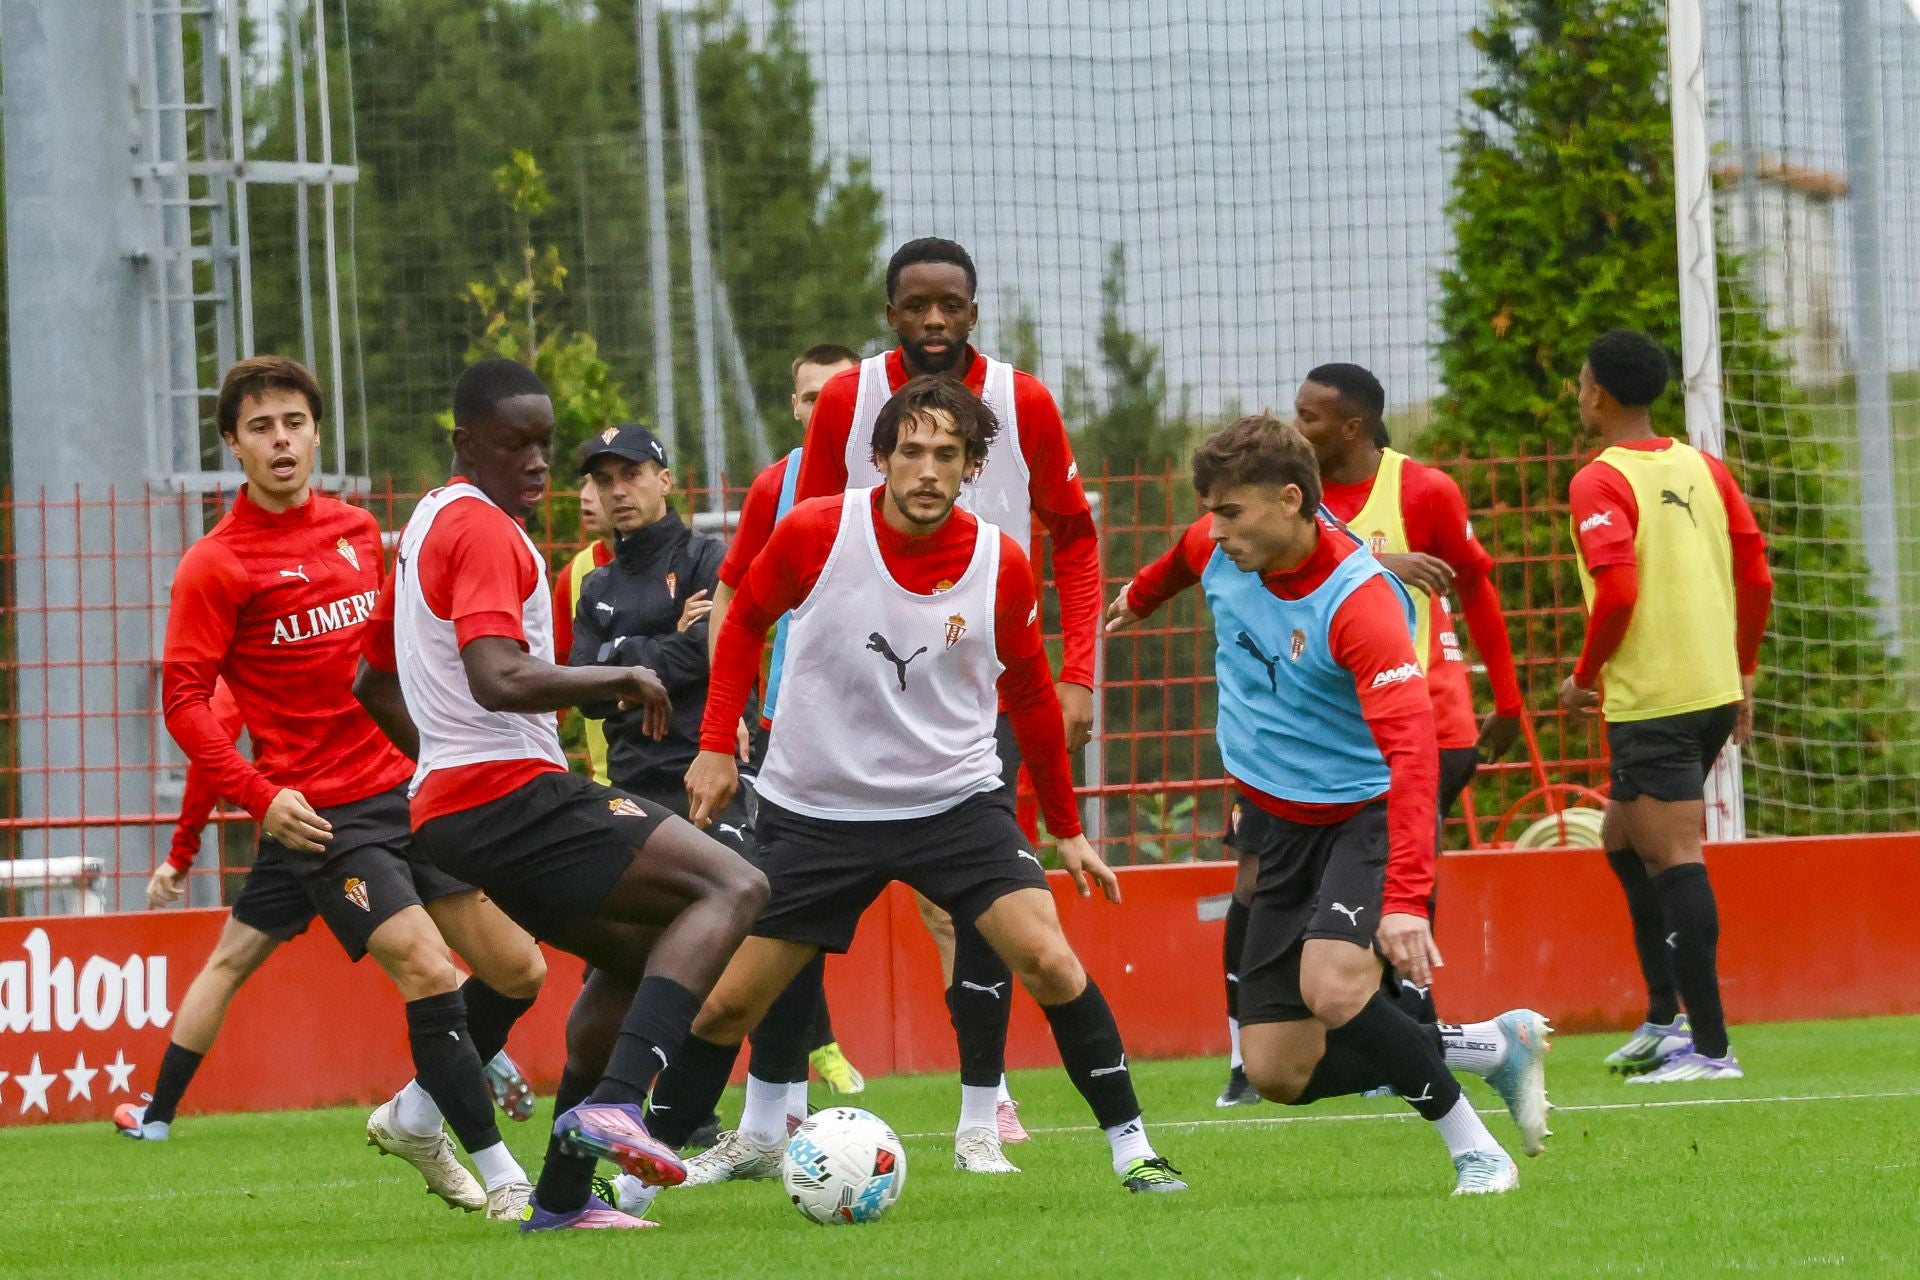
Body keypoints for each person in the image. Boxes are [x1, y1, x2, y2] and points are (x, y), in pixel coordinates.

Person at [635, 375, 1184, 1206]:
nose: (928, 470)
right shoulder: (817, 531)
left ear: (971, 469)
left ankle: (1135, 1151)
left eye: (948, 455)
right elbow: (745, 616)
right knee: (725, 1008)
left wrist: (1067, 828)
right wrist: (716, 743)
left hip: (954, 803)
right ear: (881, 457)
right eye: (914, 451)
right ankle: (636, 1191)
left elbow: (1032, 698)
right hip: (817, 809)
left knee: (1048, 956)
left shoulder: (1000, 561)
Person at [127, 356, 549, 1225]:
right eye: (259, 428)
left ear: (316, 432)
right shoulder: (215, 565)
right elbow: (182, 703)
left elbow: (400, 660)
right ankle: (508, 1179)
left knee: (518, 969)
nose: (280, 441)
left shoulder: (360, 531)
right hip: (320, 819)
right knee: (427, 966)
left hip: (414, 792)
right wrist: (257, 795)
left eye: (292, 423)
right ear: (233, 447)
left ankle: (417, 1114)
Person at [354, 357, 769, 1232]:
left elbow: (374, 684)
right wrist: (615, 676)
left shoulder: (423, 523)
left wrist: (443, 765)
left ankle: (562, 1200)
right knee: (737, 886)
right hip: (509, 795)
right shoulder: (485, 533)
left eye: (546, 444)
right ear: (467, 441)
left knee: (640, 948)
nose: (539, 464)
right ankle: (617, 1104)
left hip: (455, 810)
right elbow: (498, 676)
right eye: (518, 445)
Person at [1107, 413, 1547, 1196]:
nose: (1215, 530)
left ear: (1289, 501)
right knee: (1277, 1069)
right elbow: (1180, 557)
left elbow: (1412, 759)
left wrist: (1406, 900)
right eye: (1210, 511)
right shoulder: (1219, 545)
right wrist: (1139, 598)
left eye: (1230, 513)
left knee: (1336, 990)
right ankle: (1487, 1047)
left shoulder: (1361, 605)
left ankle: (1478, 1151)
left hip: (1360, 816)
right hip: (1277, 821)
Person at [789, 238, 1105, 1164]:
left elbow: (1076, 539)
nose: (934, 321)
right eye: (916, 305)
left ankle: (985, 1107)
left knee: (973, 902)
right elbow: (803, 538)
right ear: (890, 313)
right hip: (855, 693)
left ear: (974, 311)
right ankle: (766, 1119)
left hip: (982, 683)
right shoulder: (849, 401)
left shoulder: (1026, 401)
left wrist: (1077, 669)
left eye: (951, 305)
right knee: (785, 907)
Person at [1561, 329, 1771, 1084]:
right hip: (1711, 688)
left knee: (1675, 857)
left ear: (1599, 395)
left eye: (1582, 383)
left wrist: (1585, 676)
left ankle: (1711, 1049)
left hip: (1655, 697)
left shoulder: (1600, 480)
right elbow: (1757, 578)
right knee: (1622, 840)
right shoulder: (1704, 467)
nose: (1579, 393)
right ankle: (1661, 1018)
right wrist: (1742, 672)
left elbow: (1616, 590)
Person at [552, 467, 617, 784]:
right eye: (584, 483)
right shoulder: (576, 573)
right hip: (610, 782)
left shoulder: (687, 562)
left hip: (686, 772)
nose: (585, 496)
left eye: (601, 482)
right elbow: (557, 673)